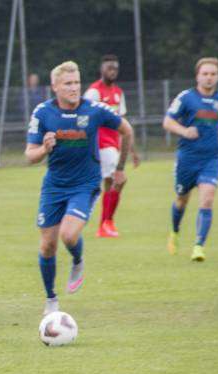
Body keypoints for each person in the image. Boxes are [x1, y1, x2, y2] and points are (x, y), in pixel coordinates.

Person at [25, 61, 134, 315]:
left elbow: (127, 130)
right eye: (68, 84)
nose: (74, 88)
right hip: (54, 186)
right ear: (55, 86)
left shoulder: (94, 110)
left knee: (69, 235)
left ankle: (77, 260)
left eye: (76, 82)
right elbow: (30, 155)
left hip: (85, 185)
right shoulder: (43, 113)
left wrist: (119, 168)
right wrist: (44, 148)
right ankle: (51, 299)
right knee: (47, 246)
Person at [163, 57, 218, 261]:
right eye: (205, 74)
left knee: (207, 199)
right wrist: (184, 131)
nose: (209, 77)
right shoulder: (186, 98)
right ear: (197, 76)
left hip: (211, 159)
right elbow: (167, 122)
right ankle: (175, 232)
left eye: (213, 74)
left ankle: (198, 246)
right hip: (187, 159)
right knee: (182, 199)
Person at [84, 55, 140, 237]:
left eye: (115, 68)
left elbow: (123, 124)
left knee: (109, 183)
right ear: (102, 69)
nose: (112, 71)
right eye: (109, 68)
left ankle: (105, 225)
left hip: (114, 144)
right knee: (119, 179)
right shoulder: (94, 92)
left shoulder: (118, 92)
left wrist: (132, 150)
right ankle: (106, 222)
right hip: (101, 143)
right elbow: (83, 117)